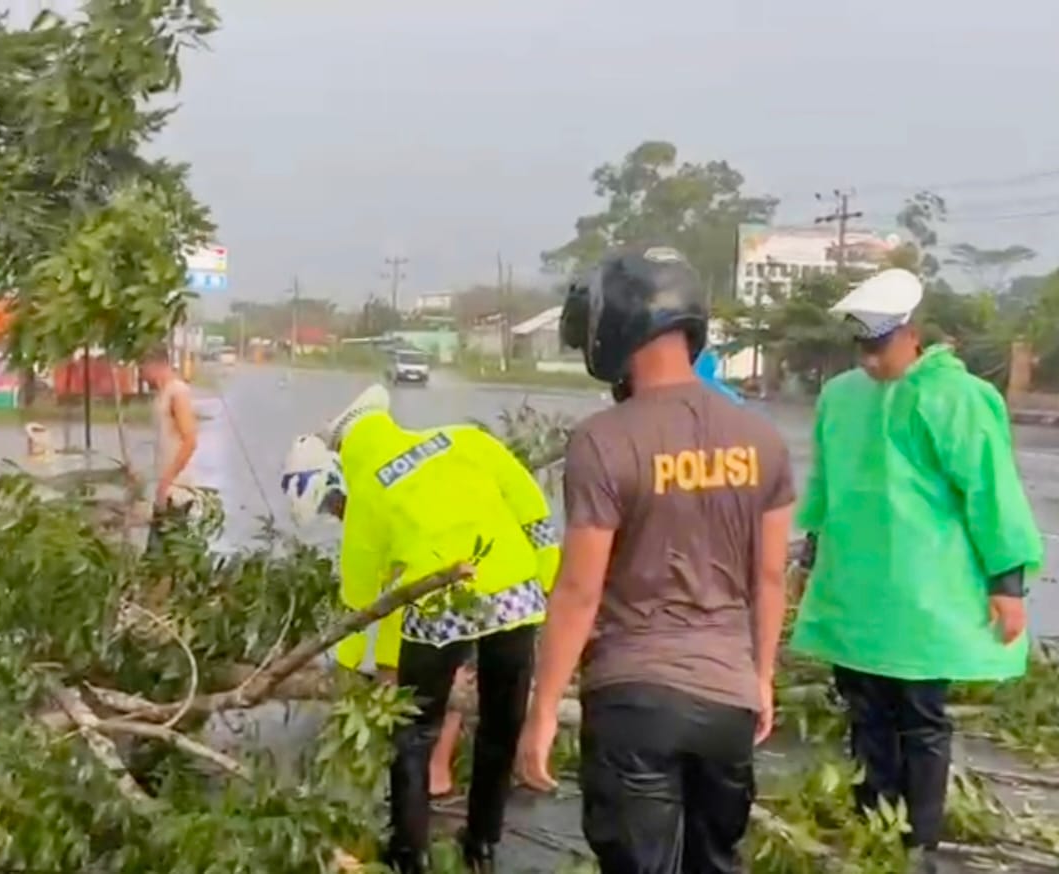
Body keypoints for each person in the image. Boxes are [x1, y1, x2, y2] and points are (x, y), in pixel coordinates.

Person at [516, 246, 795, 874]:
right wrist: (761, 679)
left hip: (634, 700)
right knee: (713, 863)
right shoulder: (763, 440)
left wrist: (543, 711)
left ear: (615, 328)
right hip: (727, 700)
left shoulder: (603, 440)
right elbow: (770, 576)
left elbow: (579, 591)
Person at [788, 268, 1043, 873]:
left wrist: (1006, 584)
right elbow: (825, 485)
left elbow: (991, 493)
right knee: (864, 711)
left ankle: (917, 841)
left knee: (920, 718)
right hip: (856, 589)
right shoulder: (842, 397)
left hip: (926, 595)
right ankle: (874, 823)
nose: (869, 359)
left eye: (879, 346)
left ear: (911, 335)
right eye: (862, 346)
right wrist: (810, 554)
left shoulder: (957, 398)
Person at [282, 386, 560, 873]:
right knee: (501, 725)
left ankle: (410, 856)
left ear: (346, 455)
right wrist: (545, 576)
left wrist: (351, 668)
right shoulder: (464, 439)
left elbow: (363, 599)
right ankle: (482, 845)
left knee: (413, 735)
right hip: (515, 595)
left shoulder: (369, 491)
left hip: (437, 609)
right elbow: (531, 505)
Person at [282, 434, 475, 800]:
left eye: (333, 503)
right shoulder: (365, 508)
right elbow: (367, 595)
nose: (335, 513)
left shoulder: (383, 495)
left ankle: (437, 771)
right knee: (403, 664)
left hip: (457, 573)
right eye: (328, 508)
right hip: (425, 575)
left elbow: (388, 594)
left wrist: (376, 667)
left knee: (454, 663)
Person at [139, 344, 199, 554]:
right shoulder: (162, 394)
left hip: (176, 491)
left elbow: (190, 440)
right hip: (164, 489)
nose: (141, 374)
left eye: (143, 368)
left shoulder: (177, 392)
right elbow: (164, 442)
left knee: (164, 554)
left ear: (154, 365)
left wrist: (167, 480)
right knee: (160, 555)